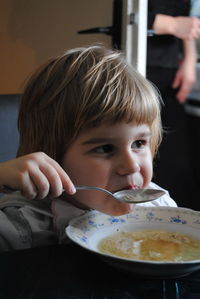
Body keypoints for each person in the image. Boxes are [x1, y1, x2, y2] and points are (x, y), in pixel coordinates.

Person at [0, 45, 176, 251]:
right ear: (51, 156)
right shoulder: (25, 224)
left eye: (139, 143)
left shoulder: (159, 207)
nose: (132, 166)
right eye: (105, 148)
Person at [146, 0, 200, 207]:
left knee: (176, 160)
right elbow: (124, 14)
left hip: (169, 70)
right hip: (136, 62)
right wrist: (172, 24)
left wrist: (189, 58)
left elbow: (186, 22)